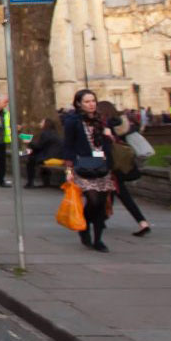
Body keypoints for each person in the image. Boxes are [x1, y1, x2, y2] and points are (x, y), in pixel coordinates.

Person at [63, 88, 117, 253]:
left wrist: (109, 136)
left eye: (93, 101)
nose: (91, 104)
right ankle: (84, 228)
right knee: (93, 201)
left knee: (101, 204)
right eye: (87, 101)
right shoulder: (73, 121)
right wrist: (68, 170)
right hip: (84, 165)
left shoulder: (101, 120)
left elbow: (109, 143)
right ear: (79, 103)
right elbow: (68, 146)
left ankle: (98, 239)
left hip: (101, 165)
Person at [100, 100, 150, 237]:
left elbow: (104, 149)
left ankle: (99, 220)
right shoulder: (123, 124)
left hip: (110, 166)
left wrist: (90, 157)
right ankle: (103, 219)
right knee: (114, 193)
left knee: (110, 194)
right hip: (123, 164)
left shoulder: (104, 125)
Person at [24, 117, 63, 188]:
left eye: (42, 122)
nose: (40, 124)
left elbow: (39, 146)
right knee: (35, 158)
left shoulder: (45, 133)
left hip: (51, 157)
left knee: (31, 160)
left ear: (46, 124)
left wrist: (29, 142)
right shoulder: (54, 133)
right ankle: (46, 182)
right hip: (57, 156)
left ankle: (30, 183)